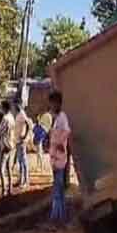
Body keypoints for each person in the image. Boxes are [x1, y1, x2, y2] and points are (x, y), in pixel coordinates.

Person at [48, 91, 71, 222]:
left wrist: (59, 144)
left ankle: (55, 218)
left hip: (59, 159)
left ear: (57, 103)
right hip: (55, 158)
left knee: (57, 190)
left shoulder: (62, 117)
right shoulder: (57, 118)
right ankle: (61, 217)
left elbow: (67, 131)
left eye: (52, 103)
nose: (51, 106)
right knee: (59, 190)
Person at [0, 100, 16, 196]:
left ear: (4, 108)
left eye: (1, 107)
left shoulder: (5, 118)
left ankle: (4, 190)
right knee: (9, 169)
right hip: (12, 144)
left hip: (5, 145)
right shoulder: (12, 117)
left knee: (1, 169)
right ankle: (10, 189)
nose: (0, 109)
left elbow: (0, 132)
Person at [14, 103, 32, 188]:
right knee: (20, 161)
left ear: (20, 105)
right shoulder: (18, 114)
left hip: (21, 141)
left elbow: (28, 124)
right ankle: (20, 179)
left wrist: (24, 135)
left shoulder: (22, 114)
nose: (15, 107)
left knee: (23, 161)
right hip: (17, 141)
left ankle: (25, 181)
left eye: (16, 105)